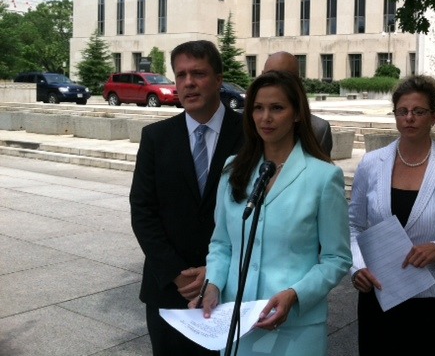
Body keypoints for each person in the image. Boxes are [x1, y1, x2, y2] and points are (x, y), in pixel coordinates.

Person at [190, 70, 352, 355]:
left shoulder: (323, 177)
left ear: (297, 114)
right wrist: (213, 283)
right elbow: (222, 243)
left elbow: (336, 258)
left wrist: (295, 295)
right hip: (238, 322)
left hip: (296, 329)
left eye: (277, 108)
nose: (266, 118)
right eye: (258, 108)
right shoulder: (232, 169)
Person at [349, 74, 435, 355]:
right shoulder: (372, 164)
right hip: (379, 293)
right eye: (402, 111)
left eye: (418, 111)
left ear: (434, 117)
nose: (409, 118)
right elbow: (353, 226)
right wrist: (356, 268)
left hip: (432, 300)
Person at [130, 40, 244, 356]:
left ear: (219, 80)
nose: (188, 82)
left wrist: (216, 270)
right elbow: (142, 211)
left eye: (198, 73)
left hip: (232, 287)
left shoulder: (251, 135)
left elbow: (262, 215)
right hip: (168, 290)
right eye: (181, 75)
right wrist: (178, 274)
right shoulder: (156, 138)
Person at [262, 51, 333, 157]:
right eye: (270, 77)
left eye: (284, 78)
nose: (275, 84)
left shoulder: (318, 131)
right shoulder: (244, 125)